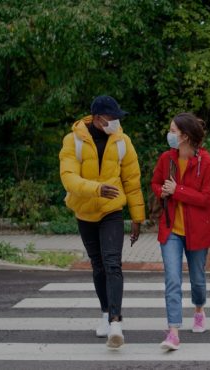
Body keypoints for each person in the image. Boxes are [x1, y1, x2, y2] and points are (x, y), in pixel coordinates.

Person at [59, 95, 145, 349]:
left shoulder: (122, 141)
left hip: (112, 210)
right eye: (112, 118)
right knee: (98, 266)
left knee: (112, 264)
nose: (116, 123)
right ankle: (105, 313)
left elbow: (132, 180)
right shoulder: (72, 140)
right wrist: (96, 189)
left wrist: (137, 218)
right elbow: (68, 178)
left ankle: (116, 322)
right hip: (84, 211)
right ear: (97, 118)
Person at [151, 112, 210, 351]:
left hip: (197, 231)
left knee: (198, 280)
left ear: (185, 136)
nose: (169, 134)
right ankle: (173, 331)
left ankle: (199, 309)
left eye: (173, 131)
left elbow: (207, 199)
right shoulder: (166, 159)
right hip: (171, 229)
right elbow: (156, 182)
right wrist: (162, 191)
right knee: (172, 280)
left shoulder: (206, 162)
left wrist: (177, 190)